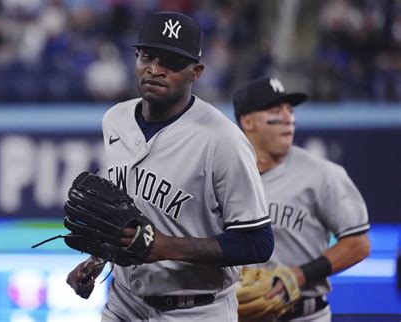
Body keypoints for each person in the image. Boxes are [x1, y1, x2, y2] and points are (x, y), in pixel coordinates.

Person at [66, 11, 274, 321]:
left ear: (196, 72)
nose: (155, 69)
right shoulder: (115, 120)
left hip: (197, 309)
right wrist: (99, 260)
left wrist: (165, 247)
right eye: (148, 56)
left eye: (171, 62)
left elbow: (258, 242)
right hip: (124, 303)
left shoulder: (223, 140)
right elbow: (127, 216)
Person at [232, 76, 371, 321]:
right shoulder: (224, 175)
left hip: (304, 314)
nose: (288, 118)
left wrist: (301, 274)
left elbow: (358, 243)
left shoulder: (323, 174)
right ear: (247, 121)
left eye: (291, 110)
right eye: (276, 111)